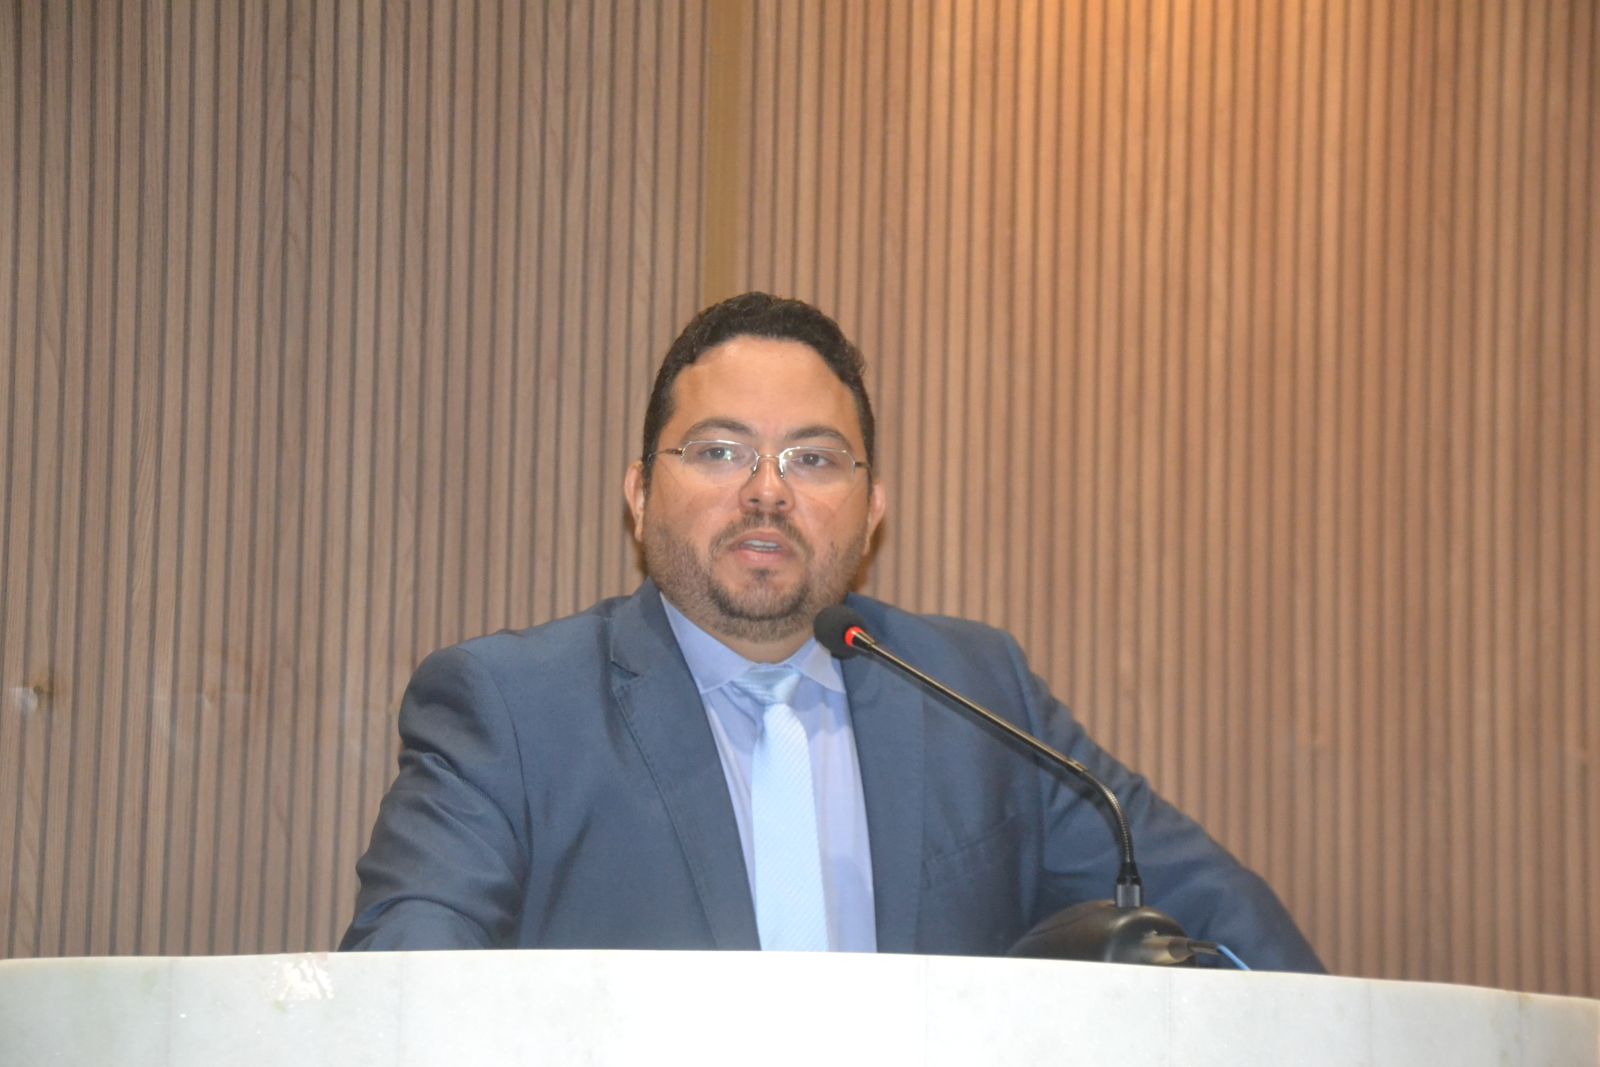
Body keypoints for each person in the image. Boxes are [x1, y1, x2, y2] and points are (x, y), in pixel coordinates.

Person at [341, 292, 1323, 971]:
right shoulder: (515, 709)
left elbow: (1218, 917)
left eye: (812, 459)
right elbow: (404, 984)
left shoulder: (976, 691)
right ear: (638, 493)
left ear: (872, 508)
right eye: (720, 450)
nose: (767, 491)